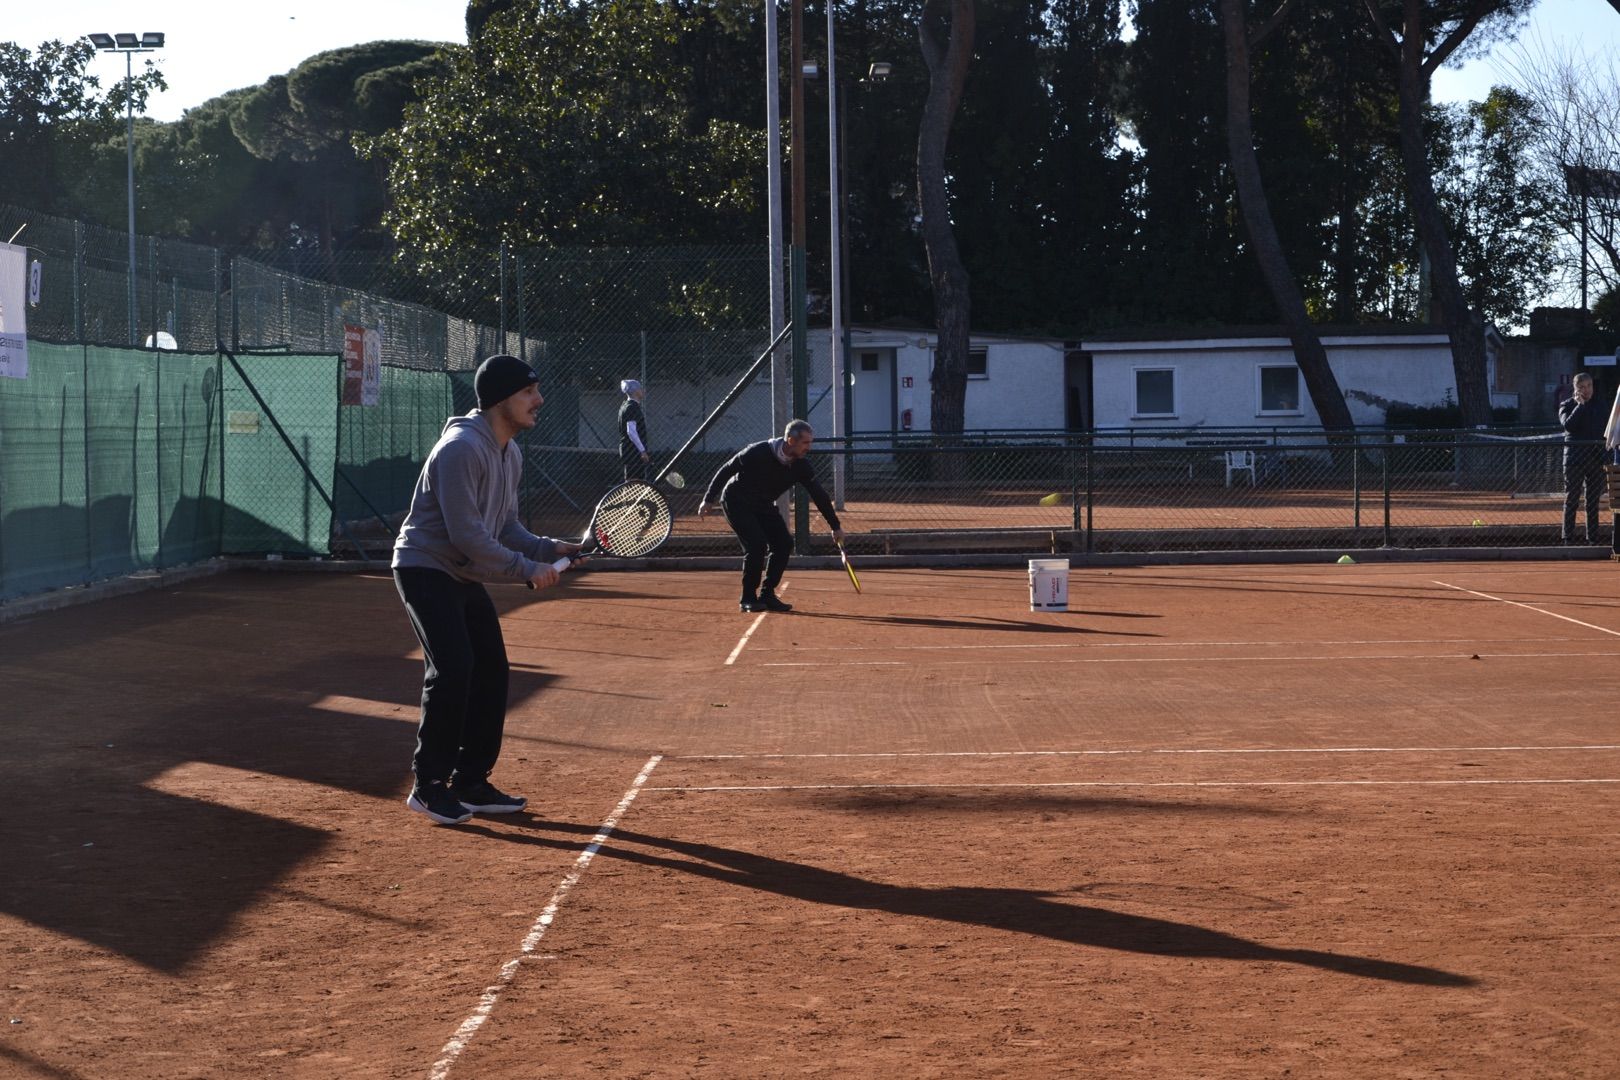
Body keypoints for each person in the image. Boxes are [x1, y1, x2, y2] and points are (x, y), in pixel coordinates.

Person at [392, 354, 585, 825]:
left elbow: (505, 525)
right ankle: (429, 785)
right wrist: (527, 569)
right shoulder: (460, 449)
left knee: (492, 670)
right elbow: (468, 537)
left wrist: (546, 547)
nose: (539, 401)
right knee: (453, 667)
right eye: (528, 393)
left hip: (461, 573)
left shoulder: (509, 451)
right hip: (425, 567)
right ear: (501, 399)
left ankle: (471, 782)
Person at [697, 419, 845, 613]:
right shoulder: (757, 452)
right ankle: (748, 597)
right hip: (736, 501)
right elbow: (727, 469)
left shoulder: (801, 465)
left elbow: (819, 495)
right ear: (791, 440)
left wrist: (835, 526)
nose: (809, 447)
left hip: (763, 504)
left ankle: (767, 594)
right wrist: (708, 499)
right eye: (805, 443)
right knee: (756, 544)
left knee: (783, 543)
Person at [1558, 372, 1607, 544]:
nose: (1586, 390)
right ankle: (1567, 538)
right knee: (1572, 499)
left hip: (1596, 459)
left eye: (1589, 386)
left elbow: (1605, 431)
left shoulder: (1601, 405)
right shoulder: (1566, 405)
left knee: (1592, 502)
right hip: (1574, 460)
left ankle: (1592, 539)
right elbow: (1569, 426)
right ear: (1575, 388)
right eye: (1582, 387)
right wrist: (1580, 406)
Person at [618, 379, 650, 481]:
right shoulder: (632, 407)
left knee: (632, 482)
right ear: (636, 391)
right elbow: (631, 432)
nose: (643, 390)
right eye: (640, 388)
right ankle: (628, 498)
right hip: (633, 452)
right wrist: (642, 451)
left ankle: (628, 497)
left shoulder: (625, 406)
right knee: (634, 482)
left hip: (629, 450)